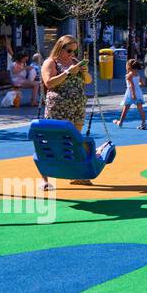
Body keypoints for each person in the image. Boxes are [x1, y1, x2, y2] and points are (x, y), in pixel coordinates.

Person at [39, 35, 90, 191]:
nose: (72, 54)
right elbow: (49, 82)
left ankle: (76, 174)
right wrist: (67, 72)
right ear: (60, 48)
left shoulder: (74, 62)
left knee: (75, 141)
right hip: (58, 107)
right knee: (52, 142)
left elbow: (88, 81)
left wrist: (84, 72)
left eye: (74, 51)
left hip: (77, 106)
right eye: (69, 50)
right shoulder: (50, 62)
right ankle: (45, 179)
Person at [114, 58, 147, 129]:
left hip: (130, 93)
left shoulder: (128, 75)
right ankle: (144, 122)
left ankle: (120, 122)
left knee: (126, 108)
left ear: (128, 66)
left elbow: (131, 85)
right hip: (138, 92)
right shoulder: (137, 74)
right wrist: (137, 86)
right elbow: (142, 83)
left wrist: (133, 94)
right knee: (140, 108)